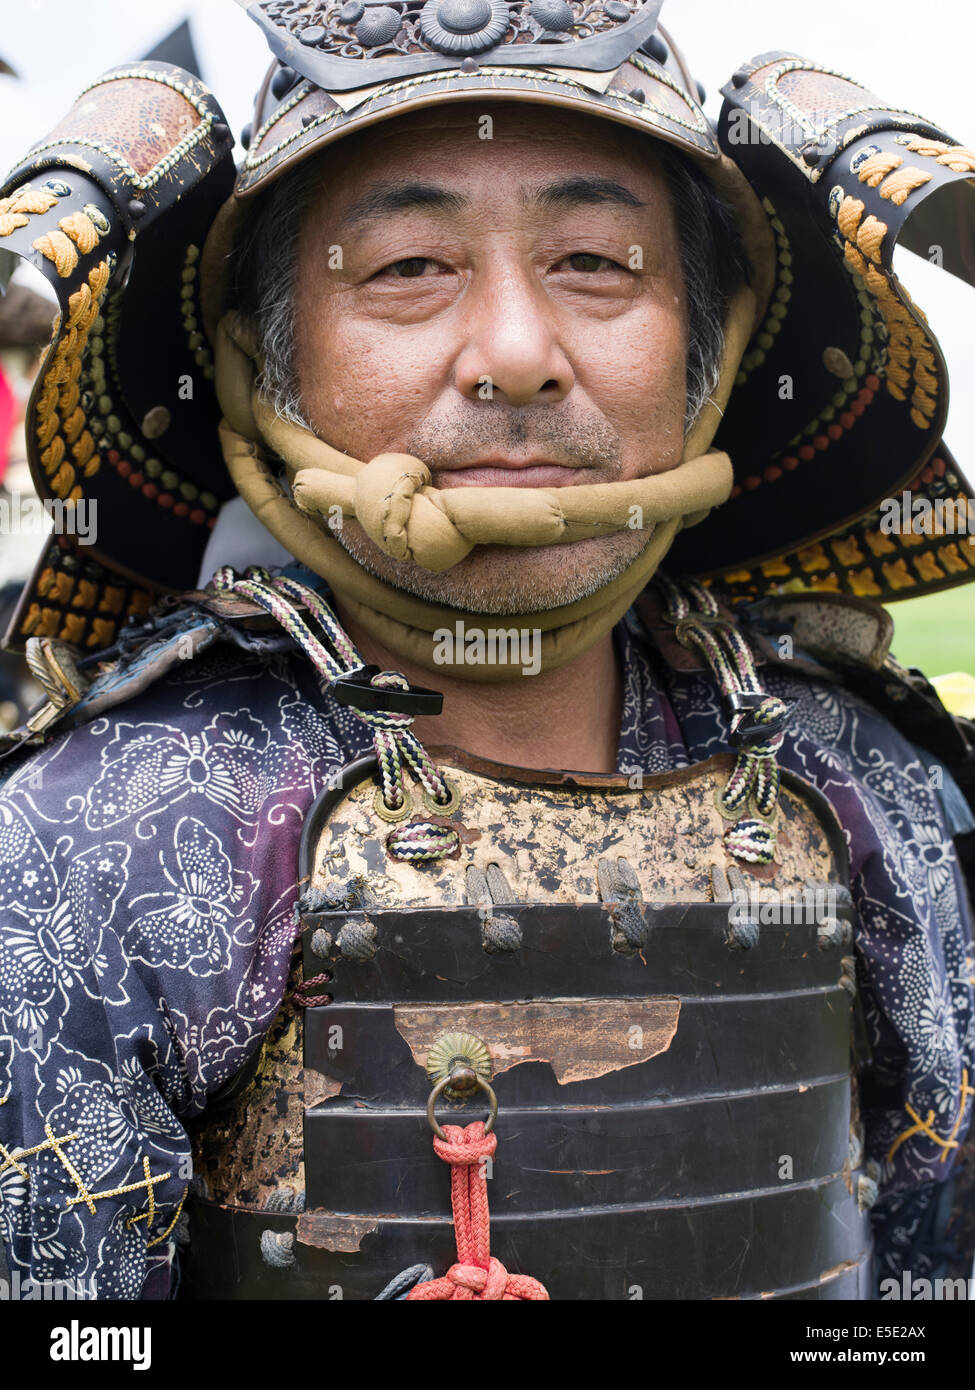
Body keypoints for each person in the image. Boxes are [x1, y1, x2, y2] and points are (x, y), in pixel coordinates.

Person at [0, 0, 973, 1301]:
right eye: (406, 266)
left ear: (711, 341)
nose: (516, 354)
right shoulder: (93, 844)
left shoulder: (872, 785)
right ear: (260, 358)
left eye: (597, 260)